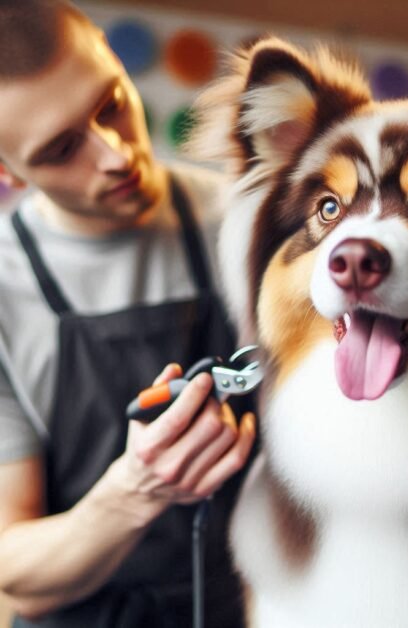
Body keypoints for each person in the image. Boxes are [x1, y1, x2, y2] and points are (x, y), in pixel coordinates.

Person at [0, 1, 256, 627]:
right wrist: (136, 489)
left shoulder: (248, 224)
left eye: (111, 104)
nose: (115, 155)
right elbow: (13, 573)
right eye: (62, 149)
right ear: (6, 171)